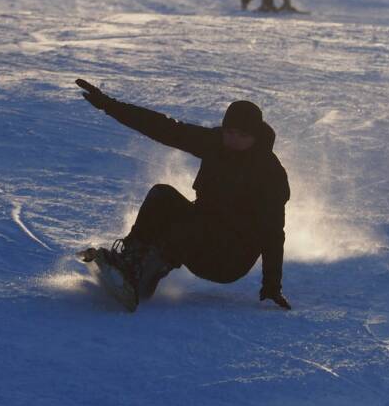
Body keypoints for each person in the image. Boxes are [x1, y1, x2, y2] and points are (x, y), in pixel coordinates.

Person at [75, 78, 292, 312]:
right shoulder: (215, 143)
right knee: (162, 195)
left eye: (242, 135)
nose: (233, 140)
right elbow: (165, 128)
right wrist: (108, 104)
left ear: (255, 136)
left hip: (229, 258)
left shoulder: (269, 172)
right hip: (204, 229)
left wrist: (272, 285)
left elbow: (272, 233)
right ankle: (130, 260)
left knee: (185, 229)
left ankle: (142, 278)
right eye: (229, 132)